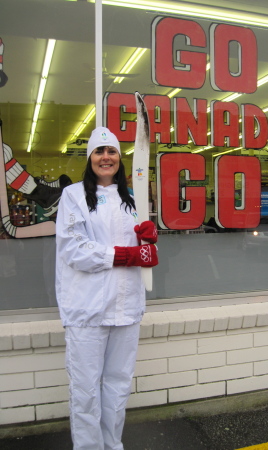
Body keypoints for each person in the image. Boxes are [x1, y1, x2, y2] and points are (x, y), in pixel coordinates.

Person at [55, 126, 158, 450]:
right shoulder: (73, 196)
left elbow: (143, 251)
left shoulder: (133, 199)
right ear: (90, 159)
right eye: (99, 152)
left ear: (119, 158)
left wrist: (150, 242)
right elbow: (72, 248)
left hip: (126, 307)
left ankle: (113, 445)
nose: (106, 157)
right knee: (85, 391)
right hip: (86, 309)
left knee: (117, 387)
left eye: (111, 151)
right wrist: (124, 255)